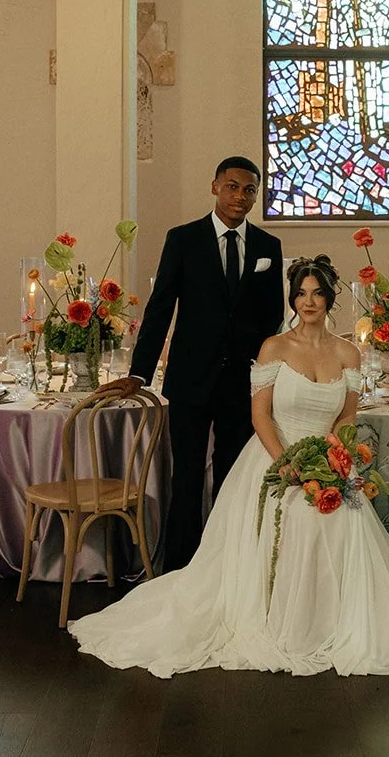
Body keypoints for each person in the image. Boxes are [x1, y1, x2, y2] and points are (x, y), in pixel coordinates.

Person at [69, 256, 389, 676]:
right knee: (295, 516)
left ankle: (333, 620)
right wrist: (291, 465)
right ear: (292, 299)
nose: (309, 301)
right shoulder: (274, 347)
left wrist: (337, 457)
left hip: (329, 459)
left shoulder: (348, 353)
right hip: (275, 457)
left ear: (330, 298)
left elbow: (347, 416)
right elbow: (260, 416)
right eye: (301, 293)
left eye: (317, 293)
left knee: (343, 519)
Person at [109, 156, 285, 571]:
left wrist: (268, 376)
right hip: (189, 379)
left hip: (242, 385)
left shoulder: (267, 247)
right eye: (232, 187)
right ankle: (179, 569)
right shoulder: (183, 239)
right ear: (215, 187)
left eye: (249, 190)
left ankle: (226, 567)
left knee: (232, 479)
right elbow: (160, 309)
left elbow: (272, 317)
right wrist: (140, 371)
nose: (240, 196)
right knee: (185, 478)